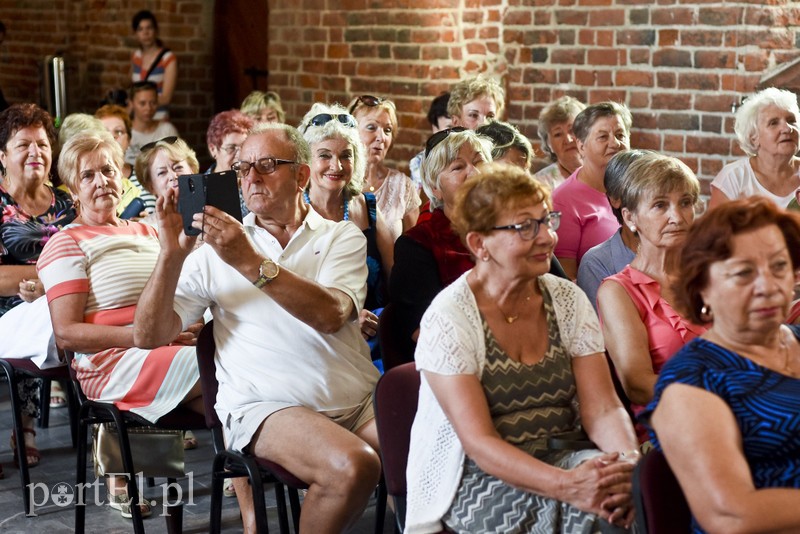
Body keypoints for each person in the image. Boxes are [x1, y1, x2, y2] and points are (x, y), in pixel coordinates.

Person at [132, 123, 382, 533]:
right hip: (267, 405)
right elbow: (148, 336)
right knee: (352, 466)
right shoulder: (217, 246)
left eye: (267, 165)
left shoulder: (341, 236)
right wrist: (170, 257)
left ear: (302, 176)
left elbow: (332, 314)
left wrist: (248, 261)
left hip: (356, 401)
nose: (251, 177)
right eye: (243, 167)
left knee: (436, 448)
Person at [405, 164, 639, 533]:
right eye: (525, 227)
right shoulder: (450, 317)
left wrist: (627, 464)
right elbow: (479, 443)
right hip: (477, 477)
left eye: (547, 220)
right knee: (603, 518)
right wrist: (568, 487)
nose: (547, 237)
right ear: (479, 244)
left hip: (566, 452)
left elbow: (604, 408)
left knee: (632, 498)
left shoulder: (565, 299)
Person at [37, 130, 202, 518]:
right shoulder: (66, 242)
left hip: (165, 346)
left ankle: (238, 476)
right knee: (222, 373)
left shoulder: (150, 229)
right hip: (108, 361)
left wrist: (185, 327)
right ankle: (245, 477)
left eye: (108, 171)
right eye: (88, 176)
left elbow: (178, 292)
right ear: (73, 190)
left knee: (233, 361)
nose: (101, 182)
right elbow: (67, 333)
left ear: (123, 177)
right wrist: (143, 337)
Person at [643, 197, 800, 533]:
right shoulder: (692, 381)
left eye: (779, 266)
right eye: (744, 273)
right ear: (703, 288)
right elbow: (731, 515)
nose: (768, 287)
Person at [390, 128, 567, 363]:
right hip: (460, 363)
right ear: (435, 188)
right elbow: (426, 332)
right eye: (457, 167)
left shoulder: (522, 228)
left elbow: (563, 298)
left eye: (479, 162)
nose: (473, 172)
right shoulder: (417, 244)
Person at [596, 154, 706, 442]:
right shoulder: (618, 291)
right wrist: (718, 396)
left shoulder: (709, 278)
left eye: (685, 203)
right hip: (670, 429)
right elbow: (638, 384)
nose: (677, 217)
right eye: (660, 205)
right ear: (630, 218)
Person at [0, 103, 77, 471]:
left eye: (43, 144)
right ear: (2, 156)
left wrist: (48, 285)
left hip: (60, 301)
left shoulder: (65, 202)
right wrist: (53, 280)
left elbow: (86, 255)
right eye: (23, 144)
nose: (36, 152)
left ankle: (112, 422)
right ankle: (23, 427)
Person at [299, 103, 394, 317]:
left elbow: (395, 281)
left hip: (370, 334)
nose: (337, 166)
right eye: (324, 155)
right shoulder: (292, 209)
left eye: (345, 155)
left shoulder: (368, 208)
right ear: (305, 160)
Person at [552, 101, 631, 280]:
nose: (615, 143)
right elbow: (566, 280)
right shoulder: (563, 201)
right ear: (581, 146)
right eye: (603, 137)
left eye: (620, 134)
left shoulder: (634, 188)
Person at [577, 150, 647, 312]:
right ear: (615, 199)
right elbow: (602, 332)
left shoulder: (683, 254)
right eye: (640, 190)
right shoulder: (597, 263)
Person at [709, 87, 800, 210]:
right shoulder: (733, 178)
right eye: (774, 123)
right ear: (753, 137)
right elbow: (714, 228)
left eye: (791, 120)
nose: (788, 128)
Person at [349, 94, 420, 241]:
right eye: (371, 127)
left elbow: (414, 248)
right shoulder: (338, 181)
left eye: (387, 130)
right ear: (351, 132)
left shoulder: (403, 186)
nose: (381, 137)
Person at [95, 104, 156, 215]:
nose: (112, 137)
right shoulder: (93, 181)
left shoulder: (147, 174)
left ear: (129, 140)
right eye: (105, 131)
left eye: (118, 131)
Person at [134, 136, 199, 227]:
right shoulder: (145, 229)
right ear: (151, 186)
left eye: (178, 167)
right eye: (162, 173)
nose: (173, 176)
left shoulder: (213, 215)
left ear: (192, 169)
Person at [130, 9, 177, 121]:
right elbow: (132, 86)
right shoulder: (136, 56)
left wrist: (138, 103)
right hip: (138, 120)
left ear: (155, 30)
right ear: (136, 34)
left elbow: (166, 98)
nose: (145, 33)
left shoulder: (168, 58)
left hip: (158, 117)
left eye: (149, 28)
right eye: (140, 29)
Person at [205, 110, 254, 217]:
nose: (240, 155)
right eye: (231, 148)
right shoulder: (202, 190)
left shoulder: (254, 183)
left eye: (243, 147)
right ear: (213, 149)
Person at [534, 95, 586, 189]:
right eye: (558, 134)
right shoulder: (540, 183)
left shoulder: (605, 175)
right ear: (548, 144)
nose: (568, 140)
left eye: (572, 130)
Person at [126, 81, 179, 166]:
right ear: (132, 103)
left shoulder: (167, 130)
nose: (148, 108)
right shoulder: (124, 131)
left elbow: (178, 161)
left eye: (153, 103)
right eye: (142, 103)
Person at [409, 92, 451, 190]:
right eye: (449, 128)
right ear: (435, 129)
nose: (457, 133)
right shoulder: (420, 163)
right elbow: (416, 202)